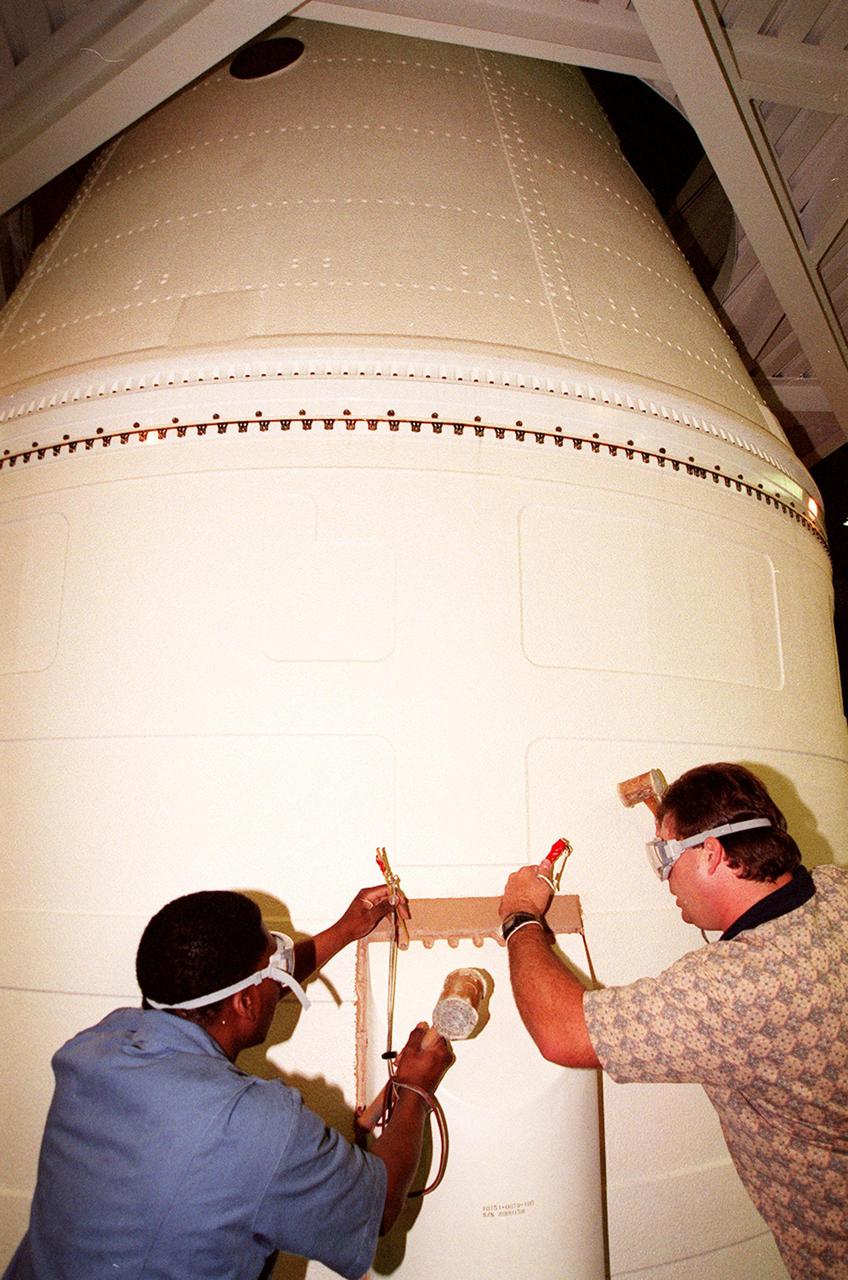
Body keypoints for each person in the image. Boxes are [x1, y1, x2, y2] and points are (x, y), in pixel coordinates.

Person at [499, 763, 847, 1280]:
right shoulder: (835, 889)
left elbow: (565, 1033)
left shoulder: (739, 989)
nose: (664, 879)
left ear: (713, 854)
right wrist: (673, 828)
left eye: (665, 858)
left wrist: (521, 918)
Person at [4, 885, 451, 1280]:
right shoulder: (257, 1125)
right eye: (271, 969)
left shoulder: (96, 1047)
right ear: (244, 1003)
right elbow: (380, 1205)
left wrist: (345, 930)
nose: (279, 975)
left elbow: (245, 986)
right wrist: (413, 1087)